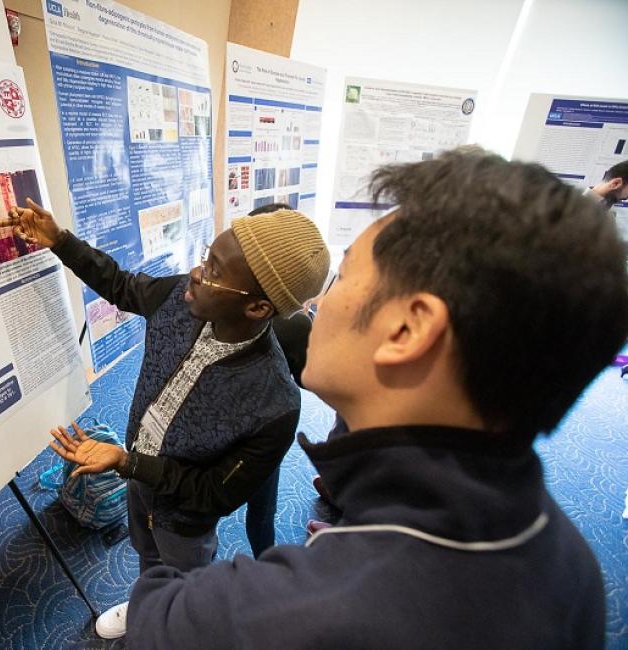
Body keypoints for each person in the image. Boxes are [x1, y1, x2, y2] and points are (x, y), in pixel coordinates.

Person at [56, 149, 627, 649]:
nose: (312, 305)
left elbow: (171, 609)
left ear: (407, 330)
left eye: (343, 276)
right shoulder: (572, 567)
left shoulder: (265, 614)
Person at [5, 200, 329, 639]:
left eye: (214, 270)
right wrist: (60, 240)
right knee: (145, 553)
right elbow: (120, 284)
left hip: (183, 515)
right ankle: (146, 603)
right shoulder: (181, 297)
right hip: (137, 474)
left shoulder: (275, 405)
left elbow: (212, 493)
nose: (196, 273)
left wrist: (127, 464)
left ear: (257, 308)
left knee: (184, 575)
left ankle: (176, 623)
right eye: (204, 257)